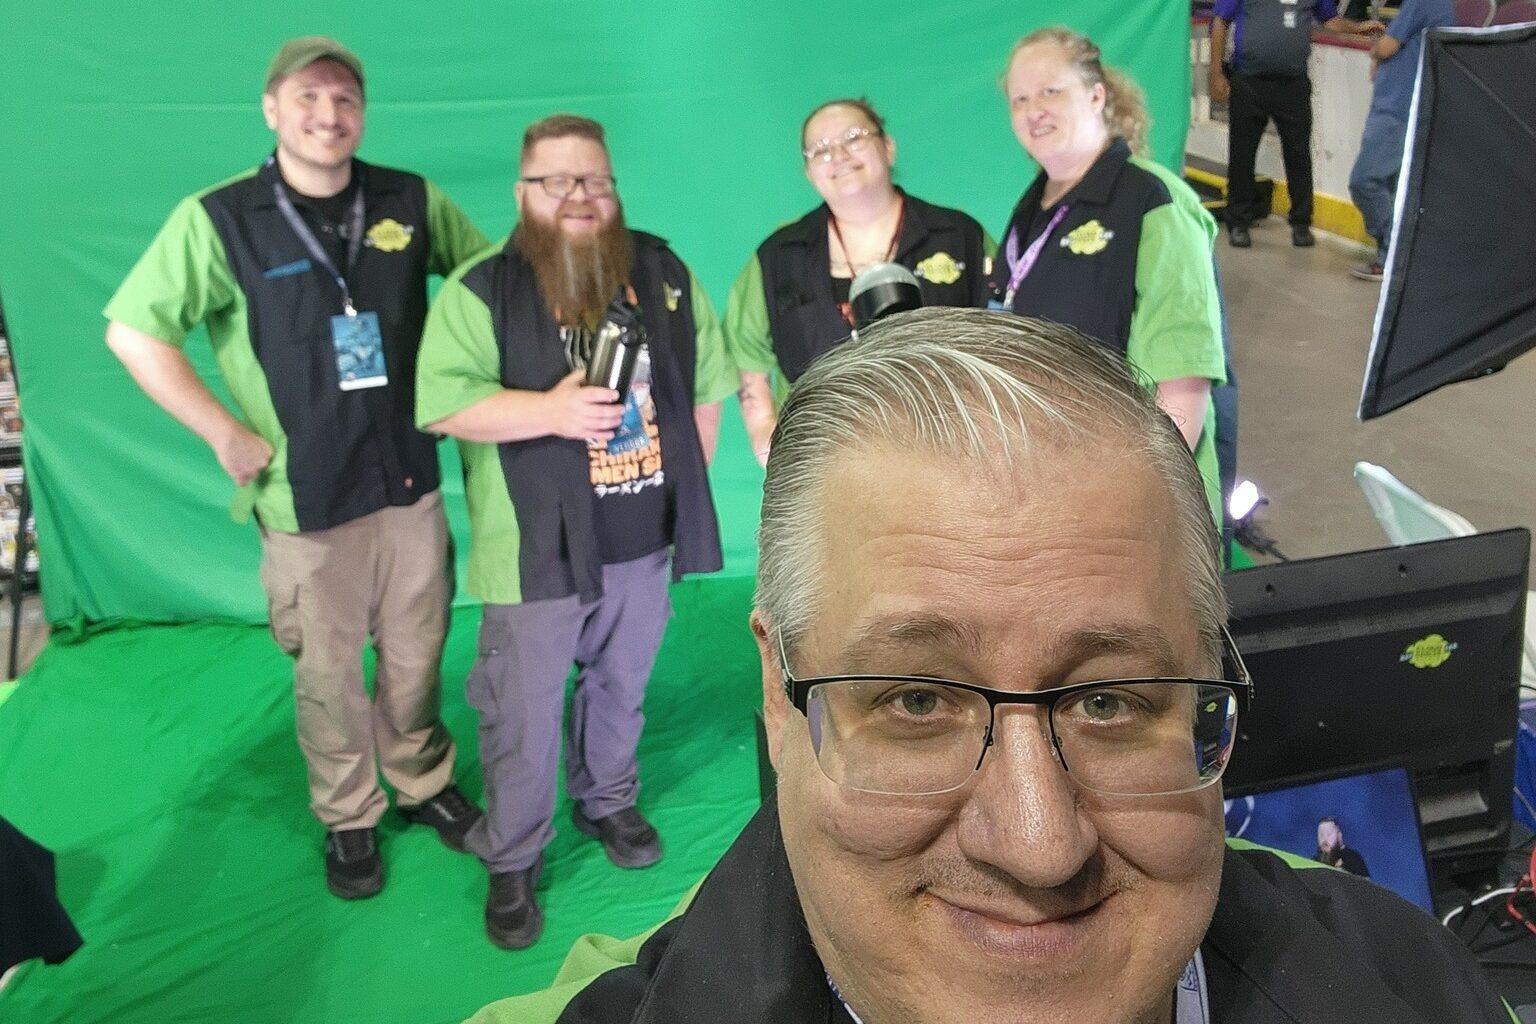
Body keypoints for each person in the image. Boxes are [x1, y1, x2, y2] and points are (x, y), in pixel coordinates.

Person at [466, 308, 1510, 1023]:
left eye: (1109, 700)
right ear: (779, 703)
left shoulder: (1420, 987)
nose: (1040, 844)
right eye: (917, 699)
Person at [103, 36, 489, 901]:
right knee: (326, 673)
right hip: (304, 500)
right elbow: (132, 333)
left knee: (419, 651)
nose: (328, 115)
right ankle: (349, 815)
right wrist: (221, 432)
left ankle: (422, 781)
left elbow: (486, 283)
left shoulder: (408, 198)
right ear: (272, 109)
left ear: (362, 113)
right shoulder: (219, 219)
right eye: (307, 98)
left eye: (345, 99)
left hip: (409, 482)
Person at [415, 114, 737, 951]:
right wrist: (550, 410)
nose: (579, 196)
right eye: (556, 181)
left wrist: (679, 481)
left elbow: (709, 380)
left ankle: (608, 802)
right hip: (534, 550)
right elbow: (442, 402)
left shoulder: (659, 270)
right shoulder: (481, 289)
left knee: (621, 684)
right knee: (521, 709)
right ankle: (513, 855)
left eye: (594, 179)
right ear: (523, 195)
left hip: (639, 539)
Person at [988, 27, 1229, 526]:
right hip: (1046, 486)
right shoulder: (1030, 209)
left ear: (1097, 95)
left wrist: (1124, 506)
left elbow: (1182, 386)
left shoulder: (1154, 201)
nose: (1034, 110)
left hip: (1130, 502)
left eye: (1052, 91)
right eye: (1020, 99)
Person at [725, 98, 992, 465]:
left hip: (950, 452)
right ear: (808, 172)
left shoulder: (959, 236)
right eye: (820, 150)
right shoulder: (778, 256)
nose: (838, 155)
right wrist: (763, 429)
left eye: (853, 138)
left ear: (888, 147)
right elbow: (746, 350)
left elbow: (1006, 326)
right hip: (828, 463)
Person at [1208, 1, 1384, 248]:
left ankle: (1301, 223)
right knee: (1242, 156)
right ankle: (1238, 222)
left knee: (1298, 155)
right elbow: (1220, 20)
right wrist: (1216, 72)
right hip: (1248, 81)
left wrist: (1358, 28)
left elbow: (1331, 20)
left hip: (1293, 84)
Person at [1347, 0, 1455, 281]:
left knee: (1365, 181)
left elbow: (1387, 47)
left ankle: (1396, 251)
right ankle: (1392, 258)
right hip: (1401, 107)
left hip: (1397, 110)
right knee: (1394, 190)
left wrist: (1375, 51)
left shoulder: (1423, 1)